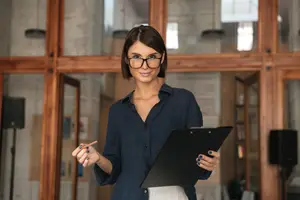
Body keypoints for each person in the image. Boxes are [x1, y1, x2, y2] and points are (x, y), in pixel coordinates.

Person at [72, 25, 220, 200]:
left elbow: (197, 160)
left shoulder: (183, 101)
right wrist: (97, 158)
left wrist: (207, 163)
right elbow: (114, 168)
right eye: (136, 57)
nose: (145, 66)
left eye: (152, 57)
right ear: (127, 60)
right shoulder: (118, 111)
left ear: (162, 57)